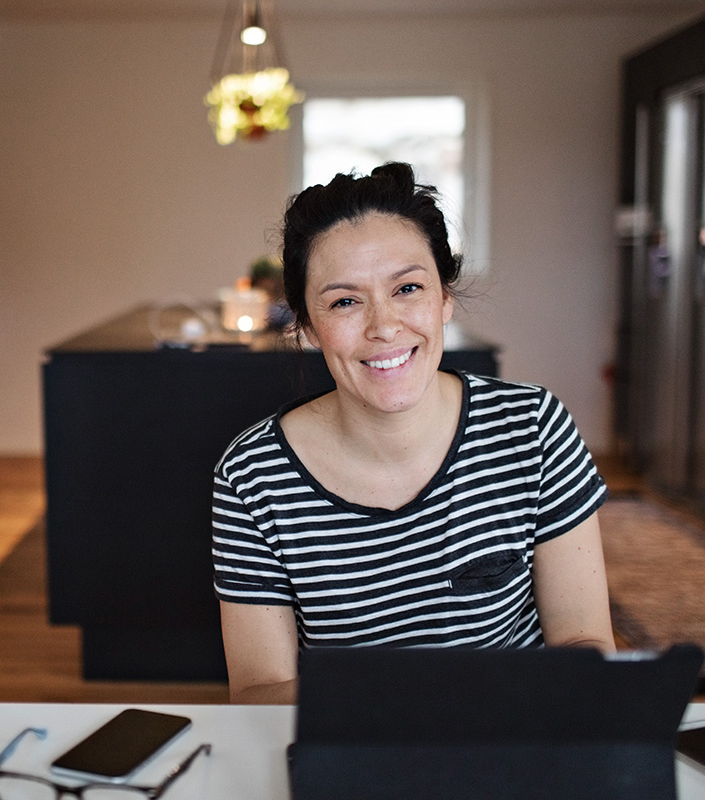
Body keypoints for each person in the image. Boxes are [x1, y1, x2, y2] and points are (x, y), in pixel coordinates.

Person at [211, 162, 615, 704]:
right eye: (345, 301)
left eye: (407, 288)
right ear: (307, 326)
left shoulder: (533, 429)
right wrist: (406, 711)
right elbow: (259, 693)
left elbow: (584, 642)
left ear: (444, 297)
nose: (384, 326)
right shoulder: (251, 477)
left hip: (513, 747)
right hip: (355, 763)